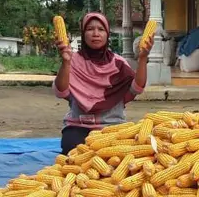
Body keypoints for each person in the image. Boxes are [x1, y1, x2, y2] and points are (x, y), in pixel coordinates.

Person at [54, 12, 153, 155]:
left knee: (118, 158)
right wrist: (65, 62)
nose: (95, 33)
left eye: (101, 29)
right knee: (72, 150)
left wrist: (143, 58)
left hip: (112, 127)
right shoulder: (73, 60)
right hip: (79, 125)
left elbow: (137, 88)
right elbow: (61, 91)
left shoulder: (118, 63)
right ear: (83, 34)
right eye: (90, 29)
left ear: (107, 34)